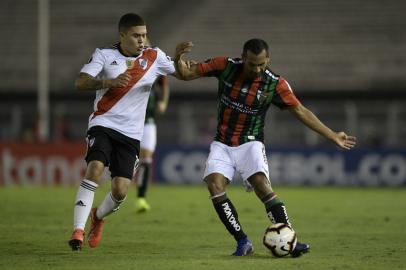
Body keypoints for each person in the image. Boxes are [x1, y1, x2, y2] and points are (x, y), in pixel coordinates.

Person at [174, 39, 356, 257]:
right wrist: (177, 59)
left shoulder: (275, 84)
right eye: (252, 64)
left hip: (250, 142)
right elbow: (185, 74)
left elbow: (301, 111)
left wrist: (332, 135)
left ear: (268, 59)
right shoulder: (225, 66)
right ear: (243, 58)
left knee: (261, 184)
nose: (257, 69)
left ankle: (291, 239)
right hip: (222, 142)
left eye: (261, 64)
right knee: (214, 185)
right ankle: (242, 242)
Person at [68, 13, 181, 251]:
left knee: (120, 190)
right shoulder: (104, 55)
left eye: (144, 35)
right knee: (95, 169)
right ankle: (77, 230)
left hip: (131, 133)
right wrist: (108, 82)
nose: (142, 40)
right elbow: (80, 82)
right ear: (122, 35)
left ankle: (97, 217)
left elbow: (184, 74)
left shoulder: (155, 56)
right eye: (136, 36)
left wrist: (180, 59)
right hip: (103, 123)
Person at [133, 74, 169, 212]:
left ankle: (141, 198)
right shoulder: (130, 60)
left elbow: (164, 84)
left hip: (148, 121)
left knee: (146, 159)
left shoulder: (155, 60)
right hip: (128, 121)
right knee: (131, 158)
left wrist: (163, 101)